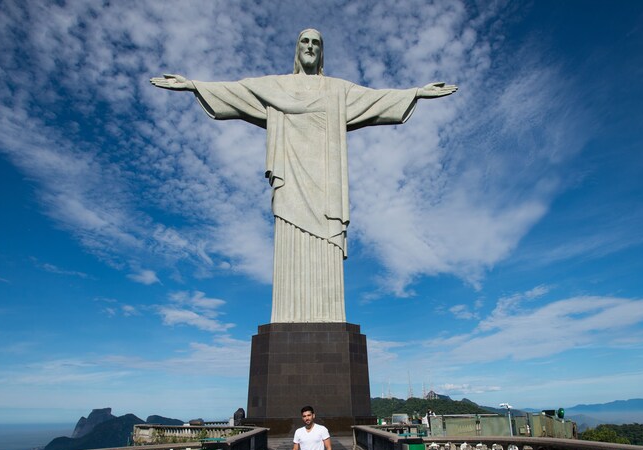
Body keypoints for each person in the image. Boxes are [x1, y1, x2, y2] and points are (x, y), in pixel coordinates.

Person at [151, 29, 456, 324]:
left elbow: (375, 100)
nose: (310, 46)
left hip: (326, 186)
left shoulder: (338, 90)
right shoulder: (276, 87)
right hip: (291, 181)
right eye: (304, 42)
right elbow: (236, 91)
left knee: (326, 251)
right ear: (297, 50)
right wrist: (193, 85)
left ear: (321, 52)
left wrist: (416, 93)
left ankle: (328, 316)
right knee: (290, 244)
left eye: (316, 43)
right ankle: (288, 314)